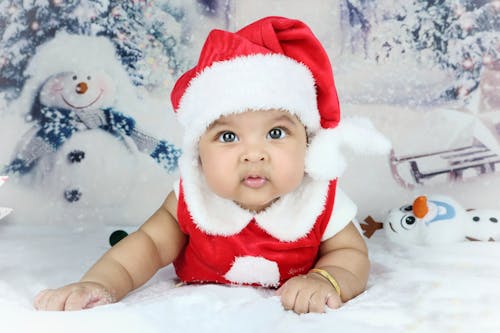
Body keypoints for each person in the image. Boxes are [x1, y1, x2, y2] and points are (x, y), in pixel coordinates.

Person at [34, 16, 390, 314]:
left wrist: (326, 279)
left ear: (308, 144)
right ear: (198, 153)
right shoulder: (192, 198)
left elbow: (350, 253)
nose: (253, 154)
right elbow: (146, 247)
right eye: (228, 137)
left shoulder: (317, 198)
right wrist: (99, 283)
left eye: (277, 132)